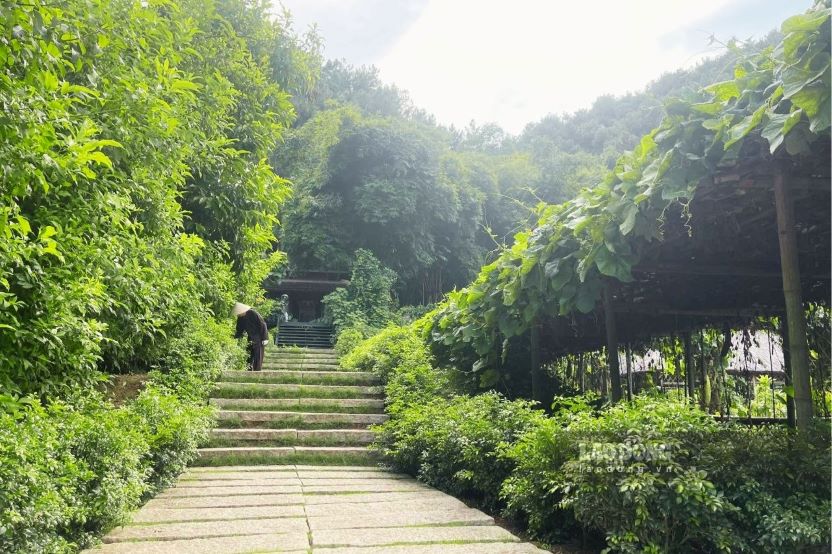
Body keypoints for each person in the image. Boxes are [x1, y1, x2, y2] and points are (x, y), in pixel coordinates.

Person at [232, 302, 268, 371]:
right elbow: (239, 330)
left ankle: (257, 372)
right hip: (250, 338)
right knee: (249, 355)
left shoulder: (253, 313)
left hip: (259, 337)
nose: (238, 314)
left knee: (258, 356)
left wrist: (265, 338)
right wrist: (235, 338)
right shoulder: (240, 318)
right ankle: (248, 370)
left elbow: (263, 324)